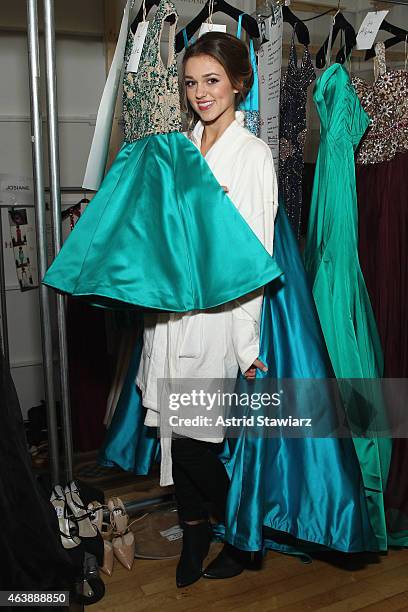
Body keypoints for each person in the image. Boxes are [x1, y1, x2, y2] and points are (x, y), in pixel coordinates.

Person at [135, 32, 278, 588]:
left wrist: (248, 346)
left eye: (212, 80)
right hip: (169, 316)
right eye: (191, 82)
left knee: (196, 446)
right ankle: (194, 533)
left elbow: (256, 258)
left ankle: (245, 529)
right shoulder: (181, 147)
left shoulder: (253, 156)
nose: (200, 93)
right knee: (176, 431)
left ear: (240, 82)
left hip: (218, 319)